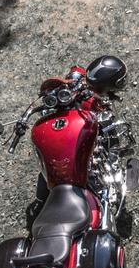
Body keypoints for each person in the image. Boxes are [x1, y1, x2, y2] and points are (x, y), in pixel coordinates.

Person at [28, 55, 129, 224]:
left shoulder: (92, 100)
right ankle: (44, 202)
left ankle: (41, 203)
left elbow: (76, 72)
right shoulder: (93, 100)